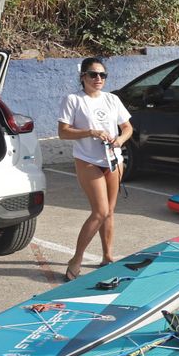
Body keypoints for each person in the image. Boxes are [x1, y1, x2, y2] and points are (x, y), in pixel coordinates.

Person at [56, 57, 133, 281]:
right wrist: (90, 132)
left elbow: (127, 127)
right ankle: (76, 260)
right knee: (99, 212)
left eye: (102, 75)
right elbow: (63, 132)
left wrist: (119, 140)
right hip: (87, 159)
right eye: (93, 74)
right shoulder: (73, 100)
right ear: (83, 77)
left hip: (113, 160)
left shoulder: (112, 99)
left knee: (109, 212)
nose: (98, 79)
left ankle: (107, 257)